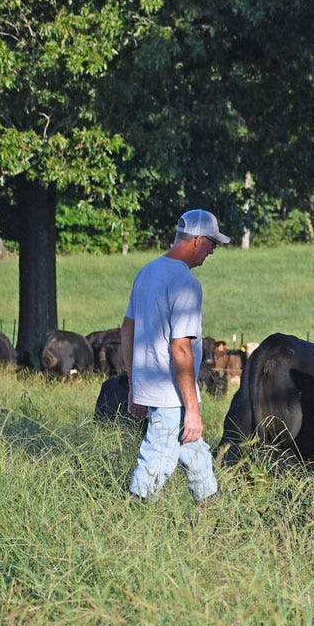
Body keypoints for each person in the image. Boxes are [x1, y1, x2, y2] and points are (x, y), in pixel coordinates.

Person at [122, 208, 229, 501]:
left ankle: (211, 511)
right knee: (158, 453)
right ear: (197, 240)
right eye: (212, 243)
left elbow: (127, 330)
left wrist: (135, 385)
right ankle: (130, 517)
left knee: (195, 453)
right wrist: (192, 409)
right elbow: (180, 348)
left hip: (152, 385)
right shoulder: (186, 283)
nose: (212, 251)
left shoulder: (147, 273)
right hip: (172, 393)